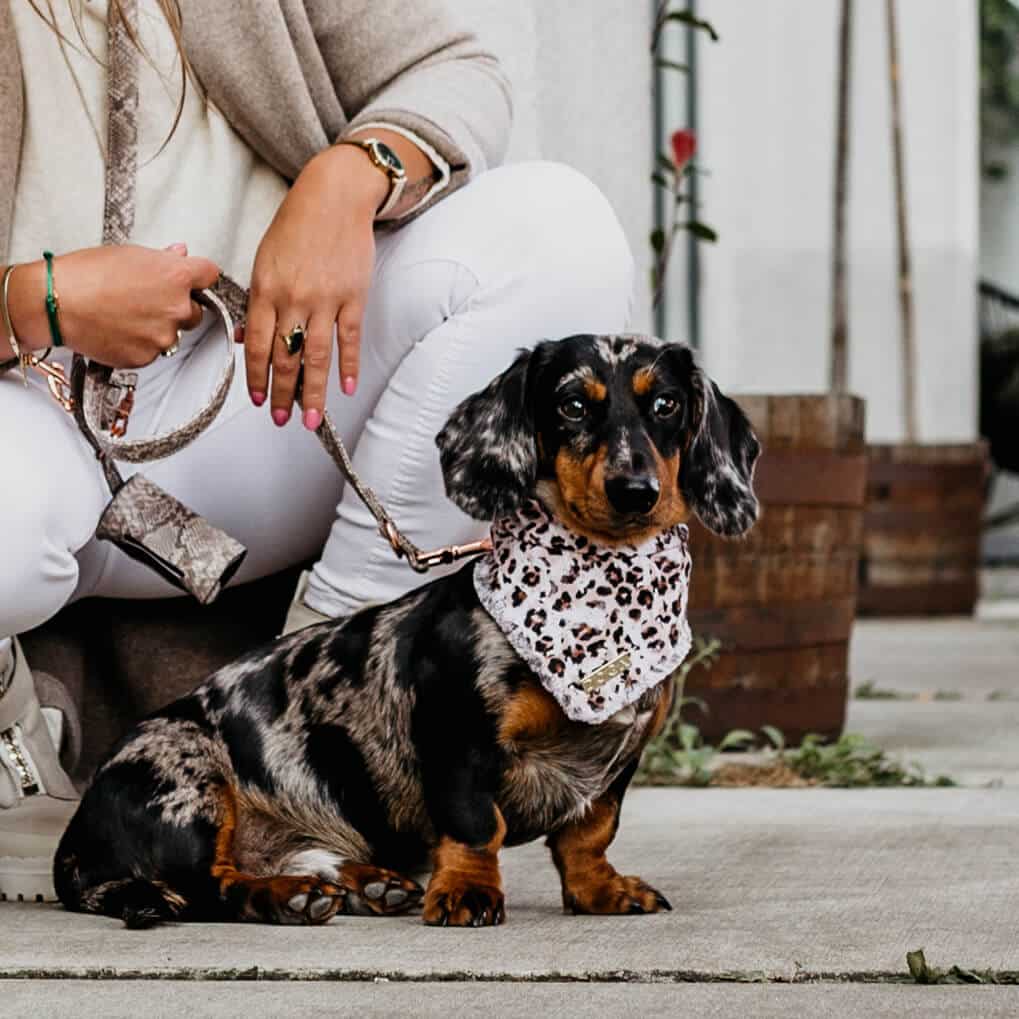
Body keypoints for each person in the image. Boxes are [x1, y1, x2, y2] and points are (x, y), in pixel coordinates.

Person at [0, 0, 635, 902]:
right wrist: (35, 301)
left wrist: (351, 174)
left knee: (555, 226)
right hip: (24, 407)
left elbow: (456, 71)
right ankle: (16, 735)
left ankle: (333, 719)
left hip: (265, 382)